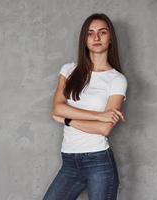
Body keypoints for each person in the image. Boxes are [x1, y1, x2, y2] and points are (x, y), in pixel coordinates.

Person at [43, 13, 128, 200]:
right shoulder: (69, 70)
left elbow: (105, 129)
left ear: (110, 37)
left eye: (102, 32)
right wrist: (99, 115)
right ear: (84, 39)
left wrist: (67, 120)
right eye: (90, 33)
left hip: (99, 162)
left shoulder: (117, 80)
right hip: (69, 161)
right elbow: (57, 107)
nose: (96, 38)